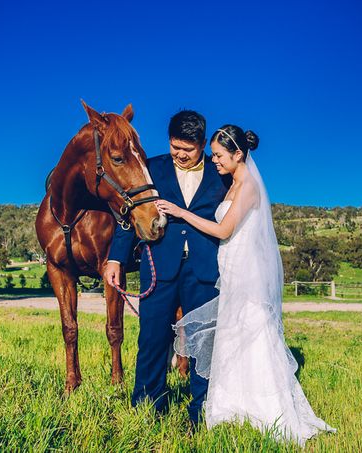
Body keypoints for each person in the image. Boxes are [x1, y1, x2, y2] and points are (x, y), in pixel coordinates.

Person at [154, 125, 335, 446]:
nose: (215, 161)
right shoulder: (231, 181)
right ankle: (228, 405)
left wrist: (181, 212)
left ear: (238, 154)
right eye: (213, 155)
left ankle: (264, 408)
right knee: (229, 336)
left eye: (220, 156)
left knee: (251, 335)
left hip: (243, 274)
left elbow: (224, 230)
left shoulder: (248, 185)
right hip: (228, 268)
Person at [104, 110, 231, 426]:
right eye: (176, 147)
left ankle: (201, 412)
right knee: (152, 338)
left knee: (204, 341)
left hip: (205, 269)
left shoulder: (222, 174)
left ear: (203, 143)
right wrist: (117, 258)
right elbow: (129, 212)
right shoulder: (152, 168)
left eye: (188, 149)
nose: (181, 155)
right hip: (158, 264)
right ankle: (148, 407)